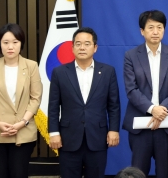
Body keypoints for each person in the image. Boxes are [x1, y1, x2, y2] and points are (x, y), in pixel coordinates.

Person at [48, 27, 121, 178]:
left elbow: (114, 105)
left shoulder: (108, 71)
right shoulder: (59, 72)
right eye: (78, 44)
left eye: (87, 44)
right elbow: (53, 106)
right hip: (68, 138)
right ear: (72, 47)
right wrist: (54, 133)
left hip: (97, 137)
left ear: (95, 47)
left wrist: (114, 129)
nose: (82, 47)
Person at [122, 10, 168, 178]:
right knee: (137, 172)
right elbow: (131, 89)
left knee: (164, 172)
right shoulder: (131, 56)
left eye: (160, 27)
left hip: (166, 123)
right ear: (142, 31)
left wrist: (161, 111)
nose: (156, 31)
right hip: (140, 124)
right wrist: (152, 109)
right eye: (151, 27)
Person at [0, 23, 42, 178]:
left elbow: (35, 98)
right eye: (5, 42)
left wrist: (22, 123)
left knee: (19, 173)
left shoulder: (31, 66)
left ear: (21, 43)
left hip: (23, 132)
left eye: (15, 42)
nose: (10, 47)